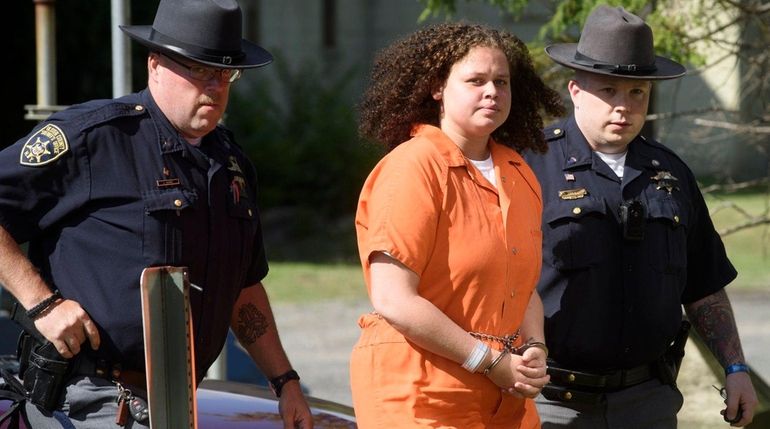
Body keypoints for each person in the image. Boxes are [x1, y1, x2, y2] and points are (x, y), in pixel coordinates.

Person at [0, 0, 313, 427]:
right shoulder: (97, 140)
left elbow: (242, 286)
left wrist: (285, 381)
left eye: (225, 73)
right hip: (88, 401)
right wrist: (43, 304)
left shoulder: (230, 165)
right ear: (155, 65)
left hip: (174, 404)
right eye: (200, 70)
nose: (215, 87)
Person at [522, 5, 759, 428]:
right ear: (575, 90)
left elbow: (704, 285)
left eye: (637, 93)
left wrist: (736, 368)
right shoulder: (529, 166)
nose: (624, 107)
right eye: (609, 90)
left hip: (648, 401)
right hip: (552, 402)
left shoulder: (670, 172)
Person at [350, 22, 564, 428]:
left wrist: (534, 346)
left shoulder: (520, 174)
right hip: (418, 394)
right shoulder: (411, 168)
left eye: (501, 81)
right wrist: (487, 360)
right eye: (476, 80)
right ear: (437, 89)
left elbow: (522, 286)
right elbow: (394, 299)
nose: (492, 92)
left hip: (502, 394)